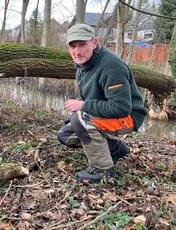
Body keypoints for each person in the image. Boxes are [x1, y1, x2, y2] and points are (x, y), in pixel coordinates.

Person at [57, 23, 147, 182]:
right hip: (109, 112)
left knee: (80, 119)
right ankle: (116, 149)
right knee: (66, 135)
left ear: (94, 42)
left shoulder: (111, 66)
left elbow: (121, 108)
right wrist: (83, 104)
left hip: (129, 116)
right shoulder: (84, 63)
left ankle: (103, 169)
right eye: (72, 46)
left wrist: (83, 106)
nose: (77, 52)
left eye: (82, 45)